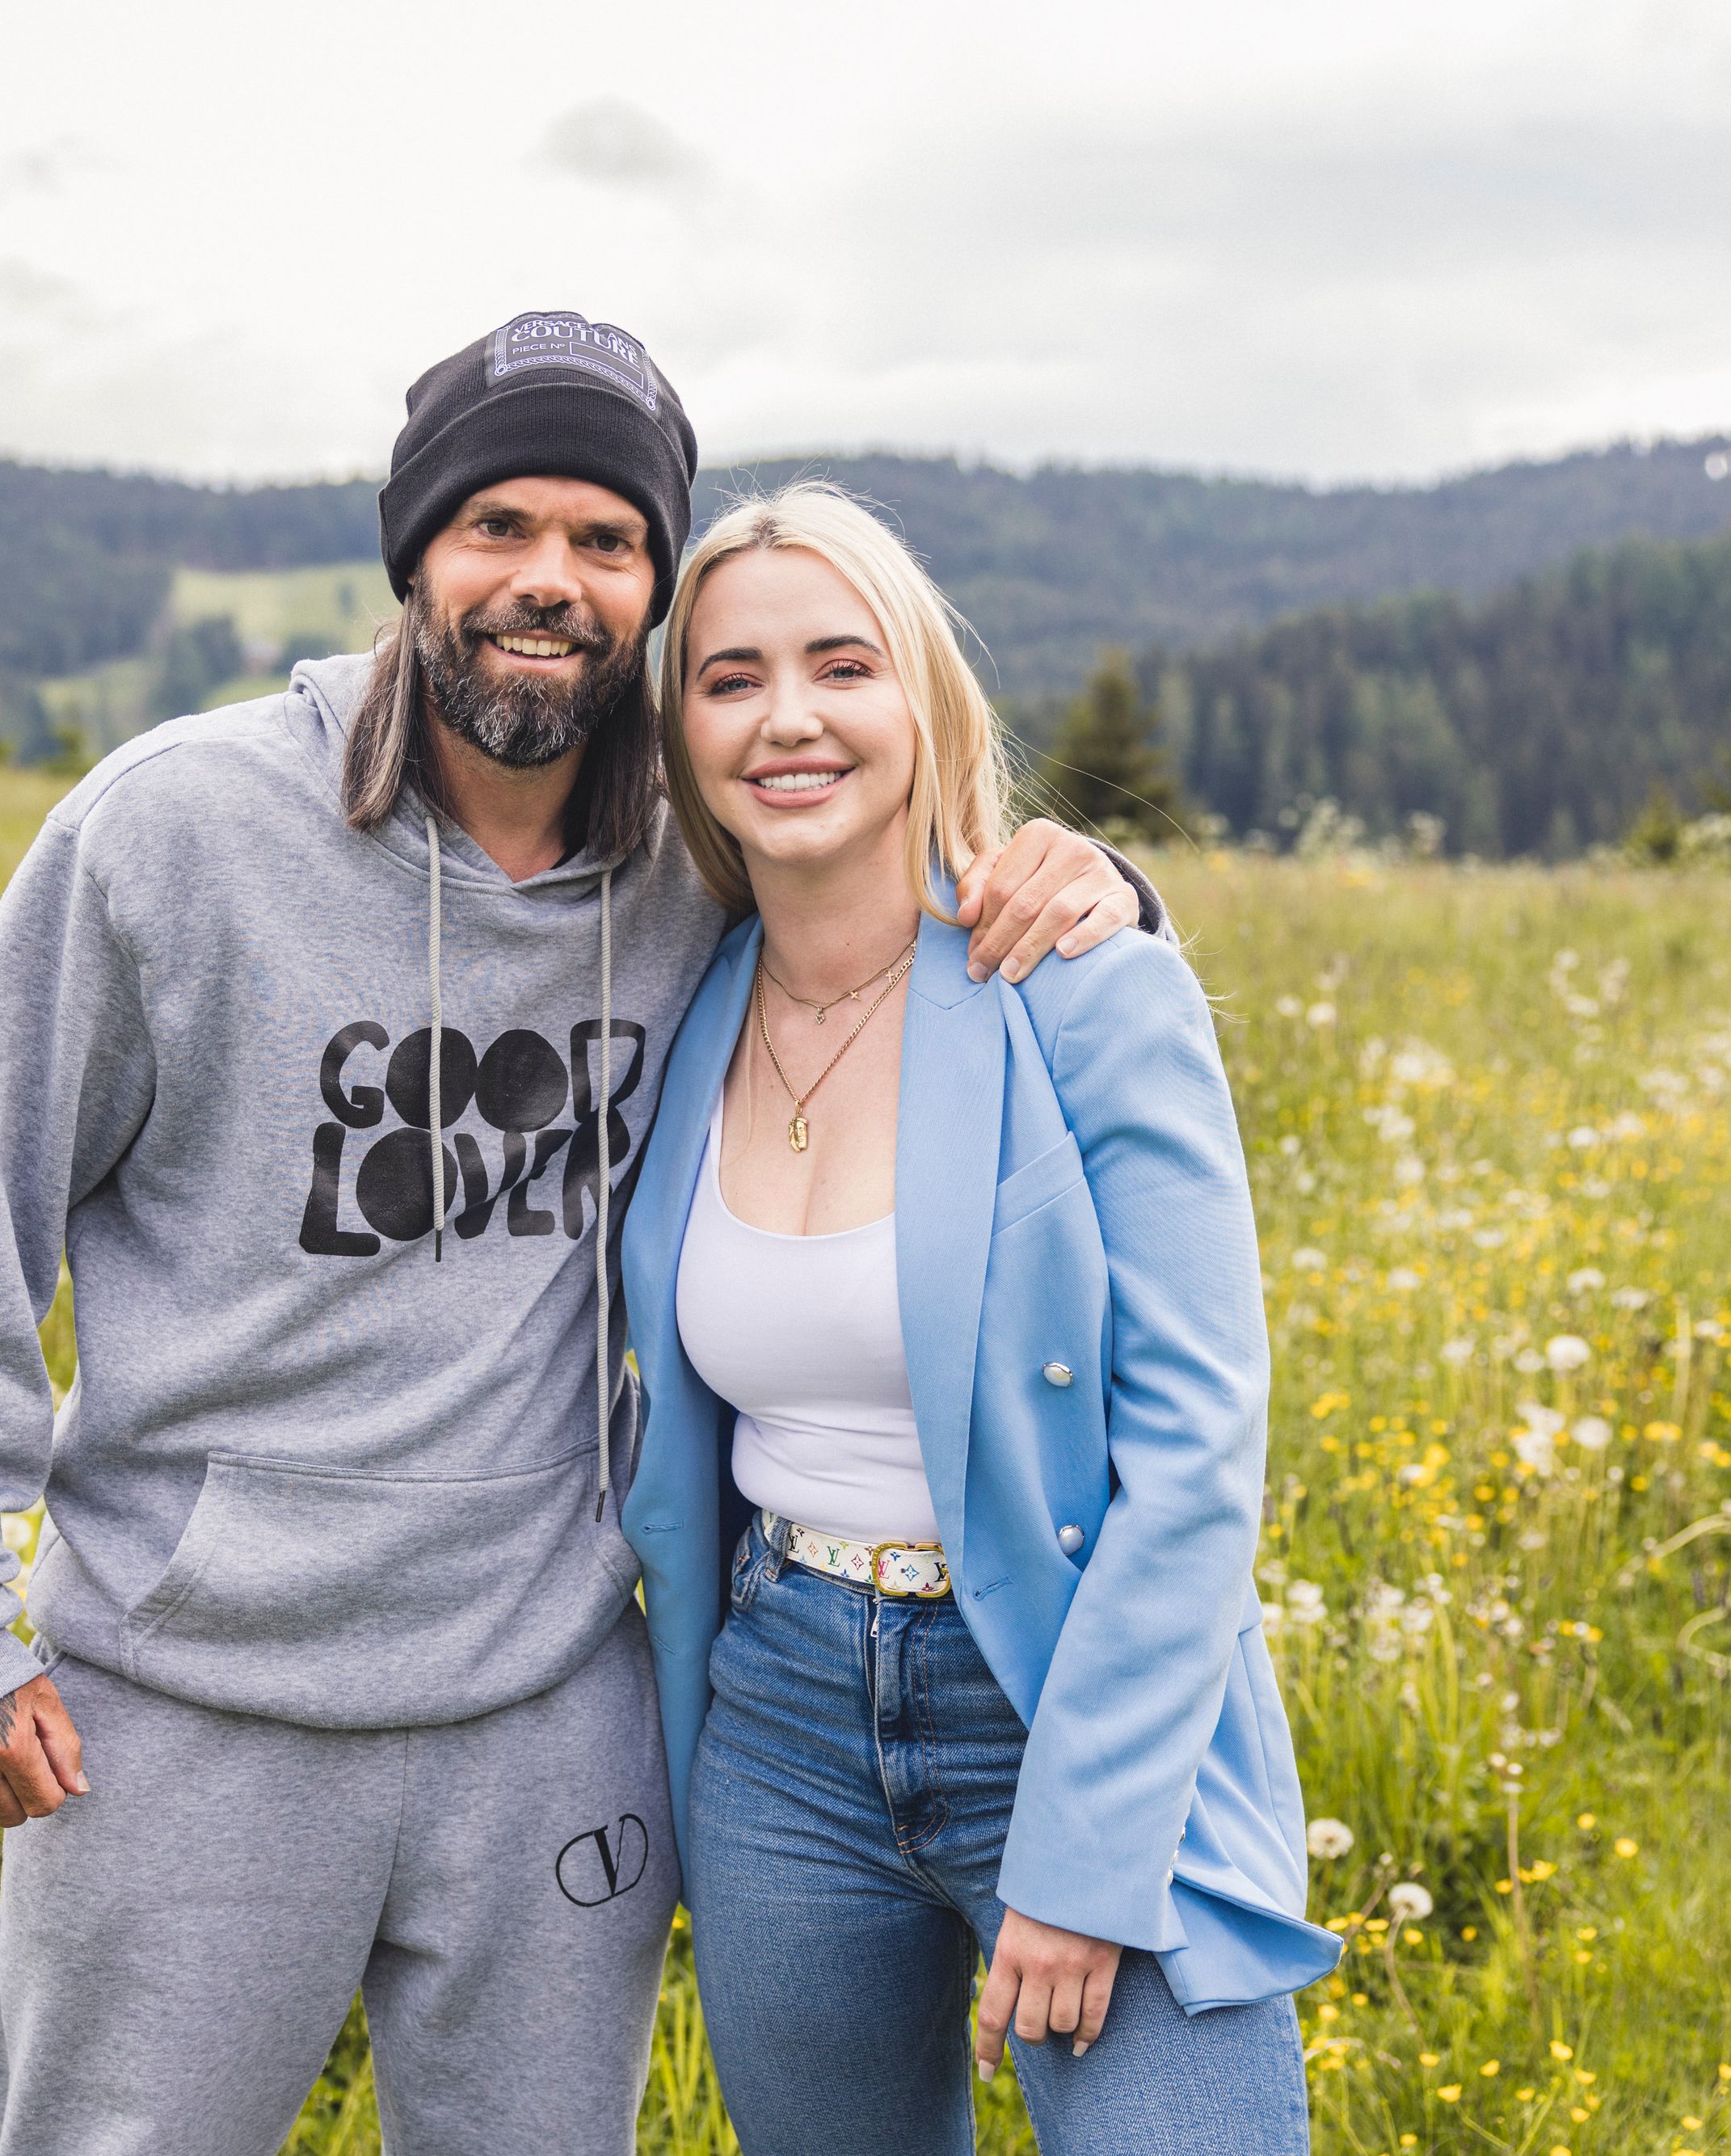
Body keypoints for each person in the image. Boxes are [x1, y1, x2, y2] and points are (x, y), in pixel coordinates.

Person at [0, 314, 1162, 2156]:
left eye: (607, 542)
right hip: (192, 1712)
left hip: (546, 1711)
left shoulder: (700, 873)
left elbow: (902, 891)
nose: (551, 579)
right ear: (414, 556)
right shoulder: (171, 835)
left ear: (651, 591)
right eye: (499, 526)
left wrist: (1097, 880)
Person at [617, 482, 1341, 2156]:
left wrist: (1085, 1854)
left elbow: (1195, 1452)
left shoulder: (1082, 986)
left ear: (922, 701)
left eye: (837, 664)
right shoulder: (678, 996)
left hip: (1073, 1696)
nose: (785, 715)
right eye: (727, 678)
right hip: (779, 1720)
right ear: (683, 736)